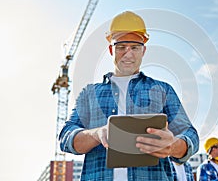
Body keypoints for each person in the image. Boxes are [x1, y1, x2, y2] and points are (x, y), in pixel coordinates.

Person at [59, 11, 199, 180]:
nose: (128, 54)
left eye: (134, 47)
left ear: (143, 51)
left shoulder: (163, 90)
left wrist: (174, 145)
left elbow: (190, 135)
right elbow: (66, 137)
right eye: (121, 47)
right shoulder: (89, 94)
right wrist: (96, 134)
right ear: (111, 49)